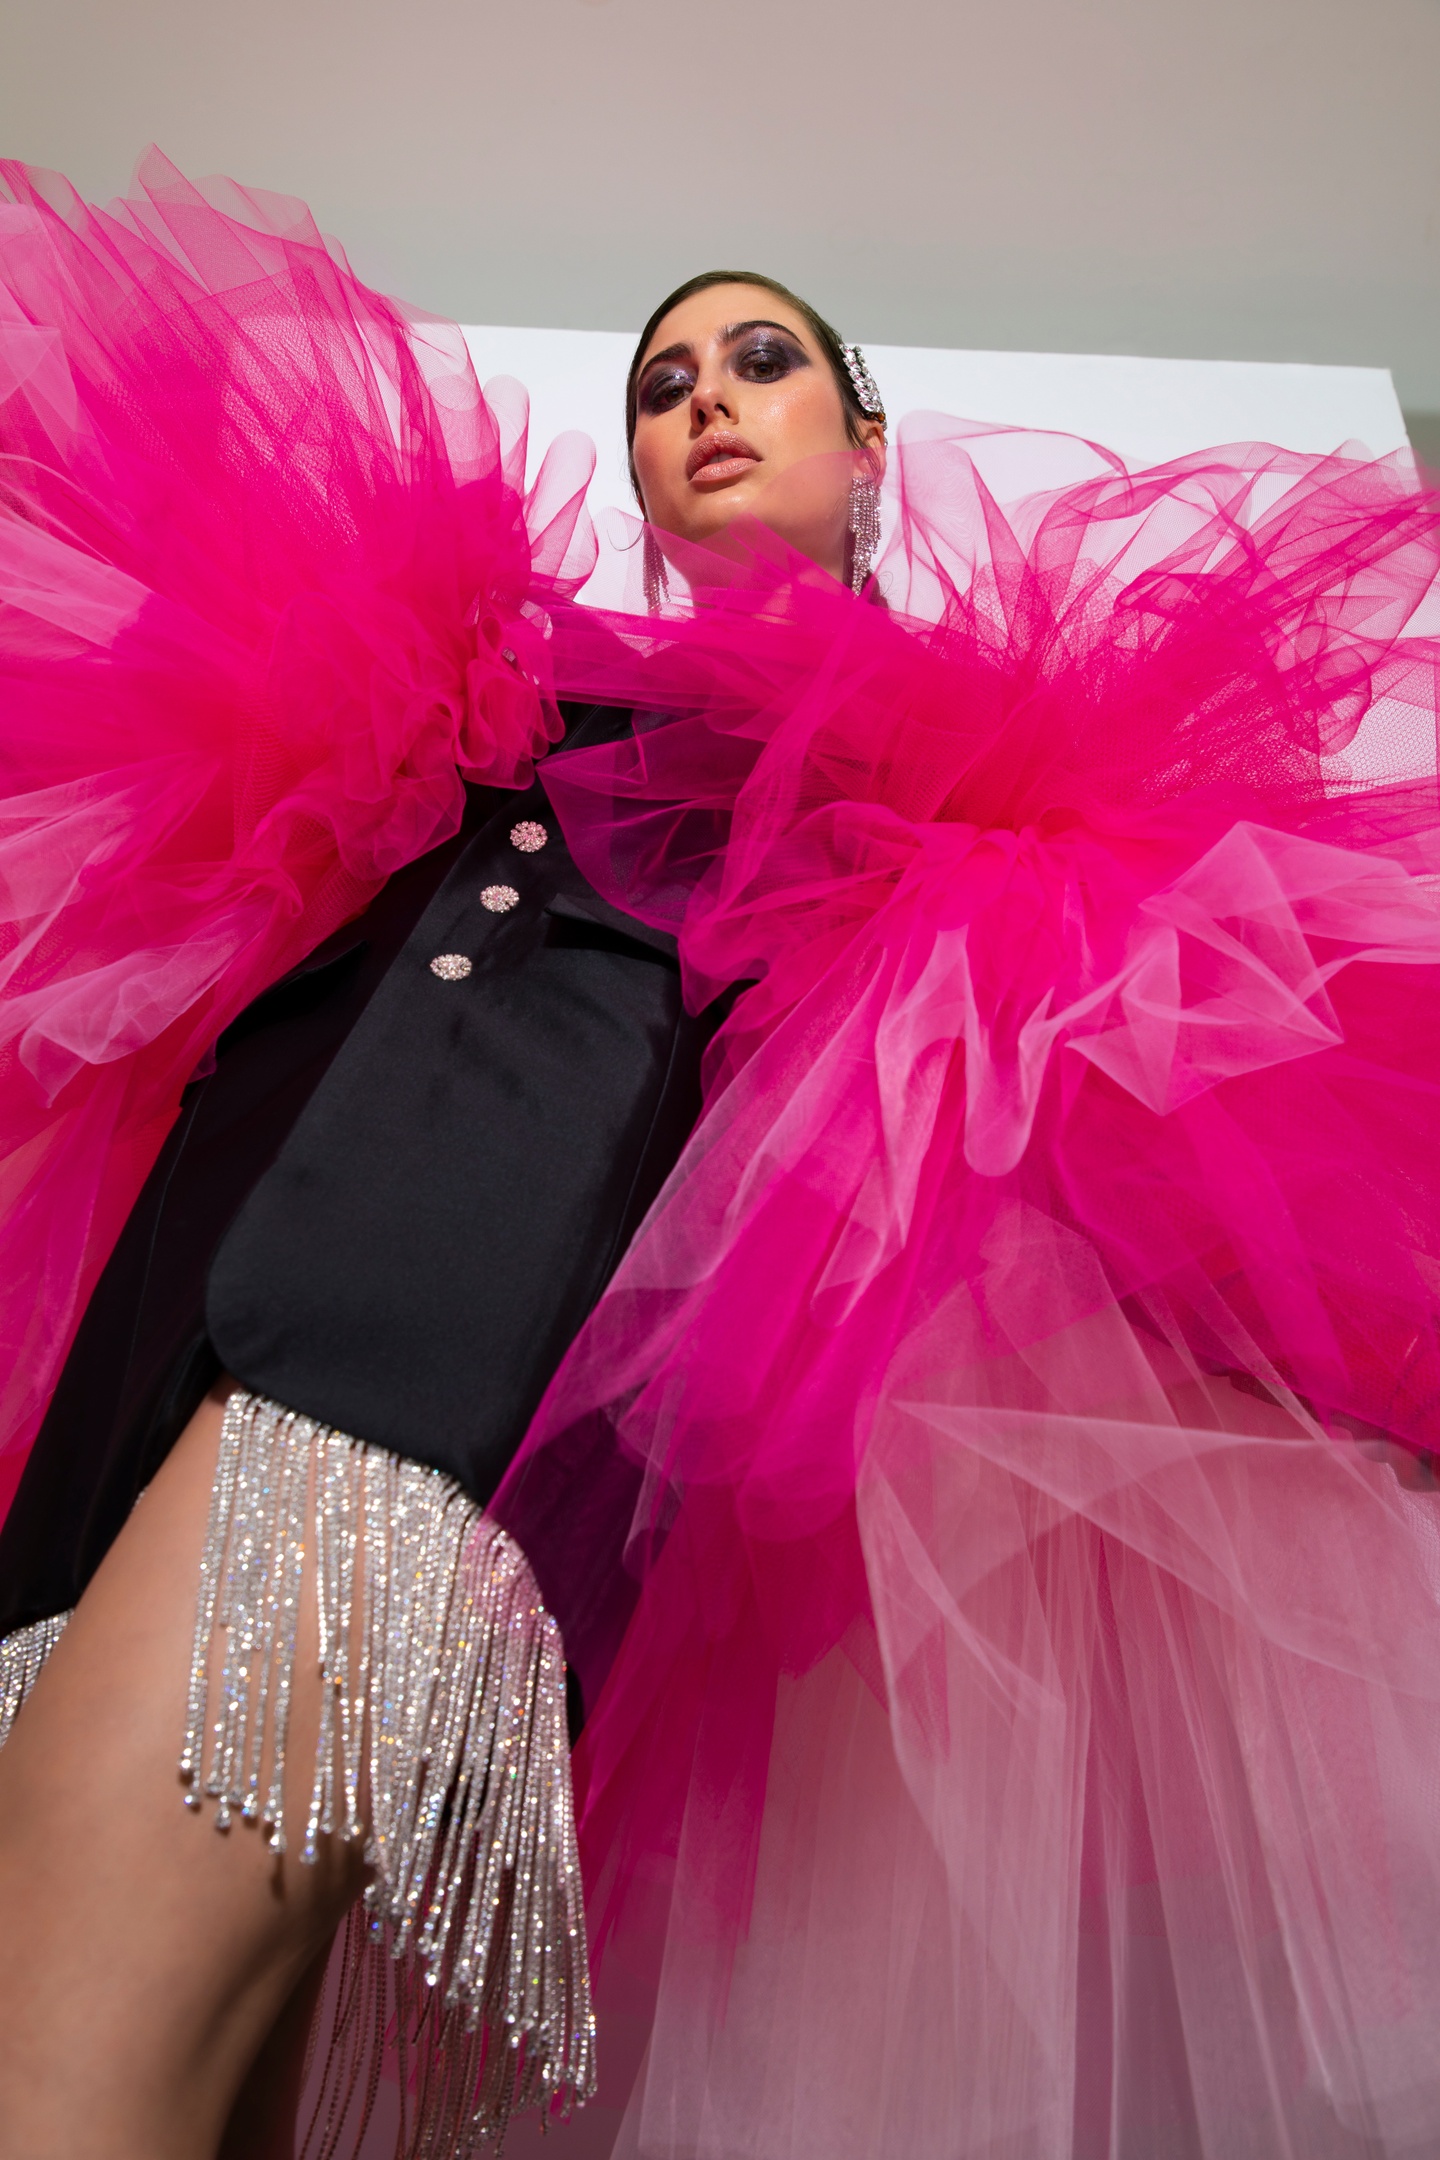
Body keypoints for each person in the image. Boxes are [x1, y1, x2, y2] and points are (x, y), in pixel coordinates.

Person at [6, 150, 1440, 2160]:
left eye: (759, 360)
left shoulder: (976, 776)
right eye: (664, 380)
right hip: (170, 1394)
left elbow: (1201, 1134)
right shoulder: (491, 679)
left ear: (866, 443)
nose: (703, 398)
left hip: (378, 1417)